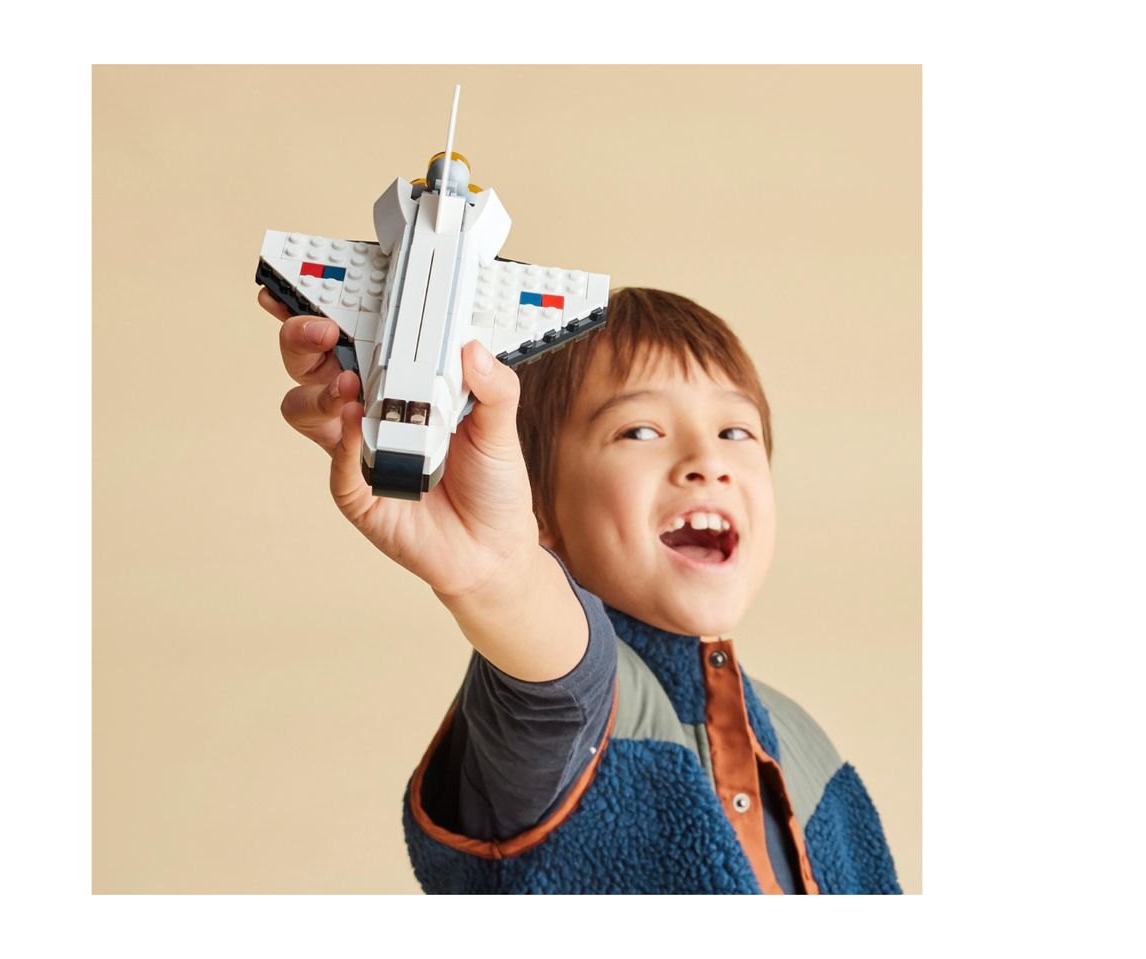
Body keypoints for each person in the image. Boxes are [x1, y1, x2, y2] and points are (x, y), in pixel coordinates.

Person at [258, 285, 902, 894]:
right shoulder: (566, 699)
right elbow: (548, 645)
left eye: (736, 432)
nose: (708, 460)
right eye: (639, 431)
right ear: (537, 509)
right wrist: (495, 567)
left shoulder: (806, 745)